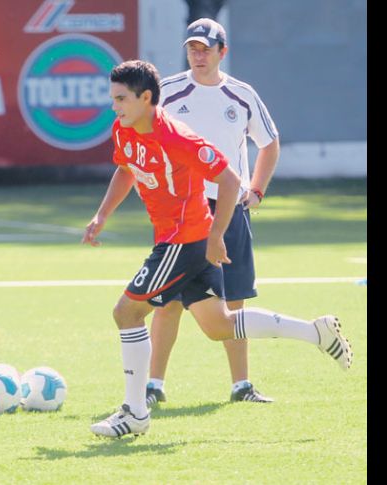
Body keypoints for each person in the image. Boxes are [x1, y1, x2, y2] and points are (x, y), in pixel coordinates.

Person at [83, 59, 351, 438]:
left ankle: (135, 412)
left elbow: (230, 180)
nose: (115, 107)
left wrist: (216, 234)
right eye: (113, 99)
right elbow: (127, 169)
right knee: (219, 326)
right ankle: (316, 333)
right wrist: (101, 215)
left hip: (184, 240)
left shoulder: (178, 137)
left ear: (147, 98)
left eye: (122, 99)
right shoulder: (124, 130)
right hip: (175, 238)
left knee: (126, 313)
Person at [144, 17, 280, 407]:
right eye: (192, 48)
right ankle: (153, 384)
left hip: (229, 207)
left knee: (234, 298)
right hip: (182, 211)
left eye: (206, 48)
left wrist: (256, 190)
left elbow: (269, 143)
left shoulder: (241, 95)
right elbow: (144, 137)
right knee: (167, 299)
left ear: (223, 52)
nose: (198, 55)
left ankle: (242, 385)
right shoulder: (167, 91)